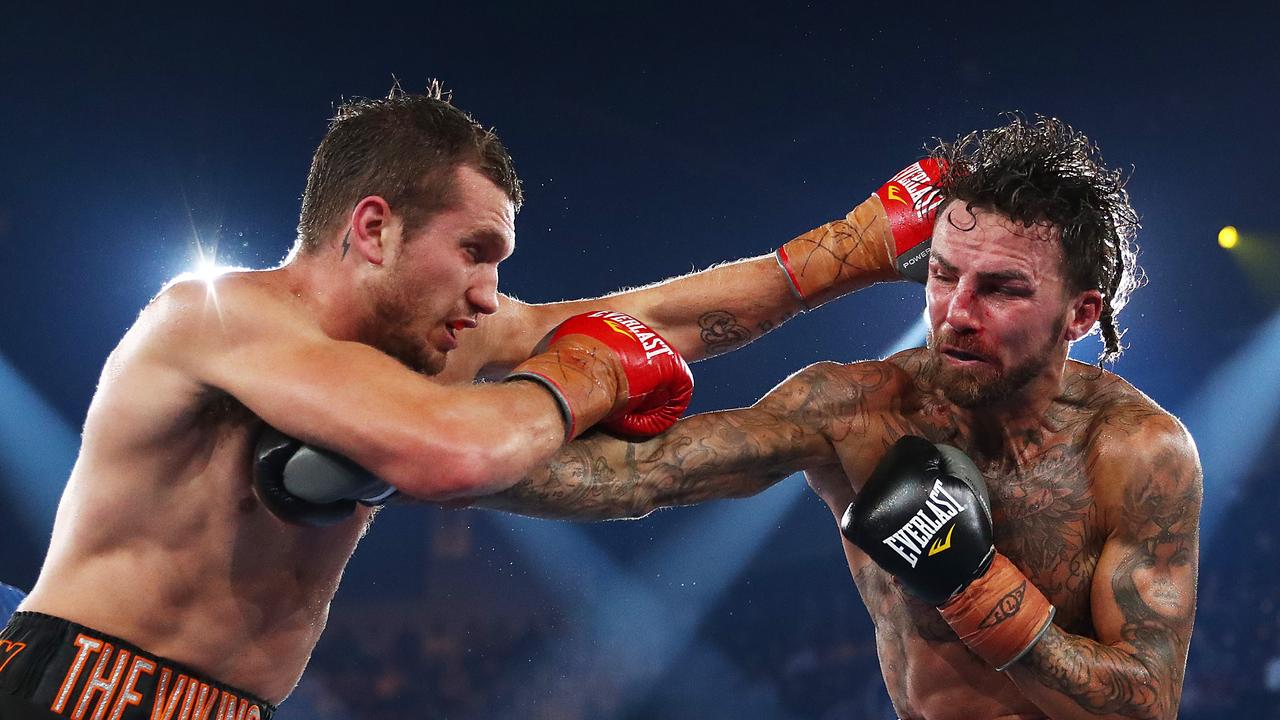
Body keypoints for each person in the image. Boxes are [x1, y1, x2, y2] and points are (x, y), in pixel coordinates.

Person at [0, 82, 932, 719]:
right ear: (373, 228)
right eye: (475, 251)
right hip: (77, 686)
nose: (489, 295)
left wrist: (848, 251)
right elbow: (457, 449)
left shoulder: (427, 342)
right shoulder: (219, 320)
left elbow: (639, 318)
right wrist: (591, 373)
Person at [482, 116, 1201, 720]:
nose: (957, 313)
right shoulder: (859, 409)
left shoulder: (1136, 451)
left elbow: (1148, 702)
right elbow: (639, 477)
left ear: (1081, 313)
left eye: (1001, 289)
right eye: (944, 274)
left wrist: (975, 587)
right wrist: (424, 453)